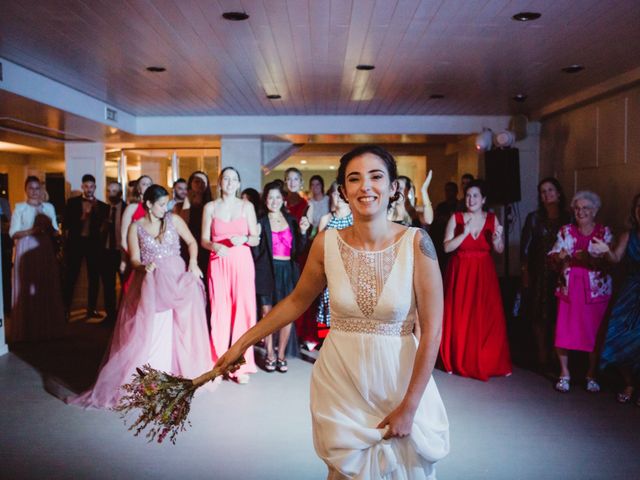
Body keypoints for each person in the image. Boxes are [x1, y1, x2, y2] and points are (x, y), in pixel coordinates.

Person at [214, 145, 449, 479]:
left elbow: (432, 330)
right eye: (354, 179)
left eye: (376, 176)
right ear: (343, 191)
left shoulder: (417, 243)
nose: (365, 186)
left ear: (394, 187)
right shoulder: (326, 243)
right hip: (341, 380)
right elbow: (296, 302)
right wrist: (241, 343)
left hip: (399, 382)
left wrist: (409, 406)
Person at [68, 185, 213, 409]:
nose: (166, 208)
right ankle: (153, 375)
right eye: (162, 204)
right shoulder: (136, 227)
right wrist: (143, 267)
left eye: (167, 204)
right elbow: (134, 258)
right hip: (151, 281)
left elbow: (192, 242)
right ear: (148, 204)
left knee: (182, 326)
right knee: (154, 326)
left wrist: (193, 263)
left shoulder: (174, 220)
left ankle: (177, 371)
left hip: (176, 279)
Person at [439, 179, 512, 381]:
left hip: (483, 273)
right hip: (461, 271)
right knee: (460, 315)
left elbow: (499, 250)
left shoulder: (491, 218)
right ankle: (459, 359)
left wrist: (497, 239)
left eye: (475, 196)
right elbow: (446, 248)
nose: (471, 199)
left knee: (485, 316)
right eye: (468, 195)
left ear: (484, 199)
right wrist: (464, 235)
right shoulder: (457, 218)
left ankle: (486, 359)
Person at [548, 190, 613, 393]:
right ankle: (564, 373)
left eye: (585, 208)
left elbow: (609, 260)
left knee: (593, 333)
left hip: (595, 290)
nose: (580, 212)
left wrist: (591, 258)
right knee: (564, 331)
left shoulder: (604, 232)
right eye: (577, 208)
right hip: (569, 287)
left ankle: (591, 374)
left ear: (594, 211)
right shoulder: (566, 231)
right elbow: (553, 255)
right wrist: (560, 256)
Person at [202, 167, 260, 384]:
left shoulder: (247, 206)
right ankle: (218, 364)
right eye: (225, 179)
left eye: (234, 179)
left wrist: (244, 237)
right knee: (219, 312)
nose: (229, 182)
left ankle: (241, 366)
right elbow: (203, 240)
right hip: (218, 262)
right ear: (220, 182)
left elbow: (255, 238)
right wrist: (214, 246)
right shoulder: (210, 207)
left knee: (243, 313)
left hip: (242, 261)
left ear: (238, 183)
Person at [254, 181, 309, 372]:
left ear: (283, 199)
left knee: (287, 315)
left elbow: (299, 251)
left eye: (278, 197)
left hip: (287, 271)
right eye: (270, 197)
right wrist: (255, 239)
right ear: (265, 200)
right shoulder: (260, 222)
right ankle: (269, 353)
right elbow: (255, 254)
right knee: (267, 315)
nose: (274, 201)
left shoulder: (292, 220)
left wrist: (303, 232)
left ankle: (281, 354)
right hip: (267, 271)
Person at [520, 178, 571, 370]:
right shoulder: (534, 218)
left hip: (561, 273)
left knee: (558, 314)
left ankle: (555, 352)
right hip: (539, 271)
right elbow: (525, 249)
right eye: (543, 191)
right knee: (539, 313)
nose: (547, 194)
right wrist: (525, 272)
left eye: (550, 190)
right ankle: (542, 353)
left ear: (558, 193)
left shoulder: (569, 218)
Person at [8, 176, 65, 342]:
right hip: (26, 249)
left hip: (45, 249)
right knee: (27, 289)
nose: (34, 191)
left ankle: (47, 329)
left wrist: (54, 232)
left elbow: (55, 230)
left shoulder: (49, 207)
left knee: (45, 286)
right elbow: (13, 233)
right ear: (26, 190)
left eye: (37, 188)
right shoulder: (20, 208)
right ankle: (28, 330)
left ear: (42, 190)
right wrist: (32, 231)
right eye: (31, 188)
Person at [599, 193, 640, 404]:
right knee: (617, 335)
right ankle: (629, 383)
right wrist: (606, 250)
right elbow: (615, 259)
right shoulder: (628, 235)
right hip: (631, 291)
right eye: (638, 206)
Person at [63, 174, 109, 319]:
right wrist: (83, 216)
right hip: (76, 244)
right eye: (86, 186)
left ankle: (91, 309)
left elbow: (104, 228)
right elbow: (66, 225)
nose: (89, 189)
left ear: (95, 187)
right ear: (82, 187)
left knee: (94, 278)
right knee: (71, 277)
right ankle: (66, 309)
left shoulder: (102, 206)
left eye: (91, 186)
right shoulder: (72, 203)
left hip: (93, 245)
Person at [316, 181, 353, 329]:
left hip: (352, 275)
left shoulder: (356, 218)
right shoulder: (326, 219)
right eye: (335, 193)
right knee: (332, 321)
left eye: (341, 193)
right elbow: (318, 249)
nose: (338, 197)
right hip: (331, 274)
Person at [176, 171, 212, 286]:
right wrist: (188, 199)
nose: (200, 184)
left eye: (203, 182)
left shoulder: (211, 203)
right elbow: (182, 224)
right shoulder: (181, 205)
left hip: (206, 244)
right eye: (197, 181)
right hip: (189, 244)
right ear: (190, 183)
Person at [120, 175, 153, 290]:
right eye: (144, 184)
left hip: (152, 256)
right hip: (135, 256)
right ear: (138, 189)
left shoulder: (155, 208)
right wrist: (134, 257)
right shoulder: (132, 207)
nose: (147, 186)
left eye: (149, 184)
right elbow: (123, 238)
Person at [101, 181, 127, 326]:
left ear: (120, 193)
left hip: (121, 252)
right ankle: (110, 315)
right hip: (106, 251)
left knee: (125, 284)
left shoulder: (126, 208)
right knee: (108, 285)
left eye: (115, 191)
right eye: (109, 191)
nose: (111, 194)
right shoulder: (102, 209)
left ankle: (122, 315)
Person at [431, 182, 459, 273]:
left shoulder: (459, 206)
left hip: (455, 240)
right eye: (446, 190)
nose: (448, 192)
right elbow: (435, 221)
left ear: (456, 192)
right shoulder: (441, 206)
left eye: (451, 190)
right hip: (440, 239)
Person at [0, 196, 13, 315]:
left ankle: (7, 307)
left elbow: (9, 223)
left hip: (4, 242)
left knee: (5, 276)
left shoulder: (3, 202)